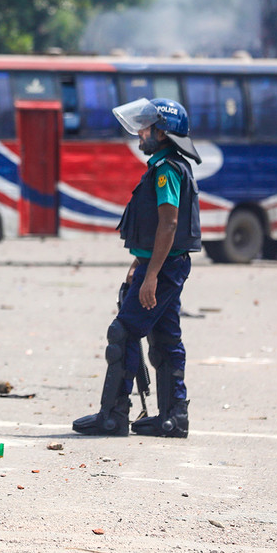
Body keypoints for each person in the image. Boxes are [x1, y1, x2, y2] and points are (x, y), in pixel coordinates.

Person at [72, 97, 201, 438]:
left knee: (123, 332)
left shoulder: (167, 171)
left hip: (165, 269)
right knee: (165, 337)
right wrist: (139, 263)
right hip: (164, 265)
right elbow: (154, 229)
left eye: (146, 128)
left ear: (163, 132)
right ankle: (174, 417)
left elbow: (168, 224)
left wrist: (152, 276)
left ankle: (114, 415)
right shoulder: (166, 165)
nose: (140, 134)